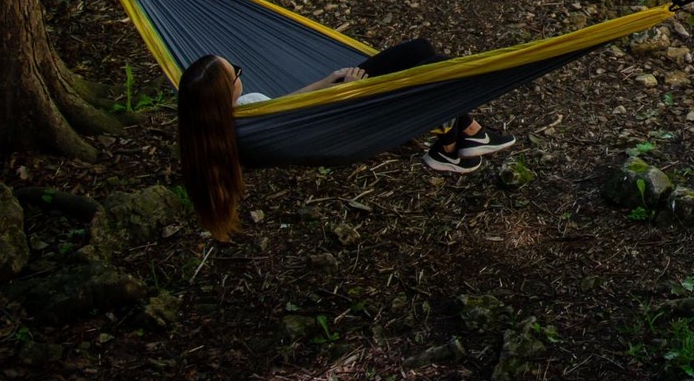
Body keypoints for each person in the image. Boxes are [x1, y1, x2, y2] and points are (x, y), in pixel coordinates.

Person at [178, 41, 518, 237]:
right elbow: (303, 129)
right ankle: (450, 146)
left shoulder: (236, 117)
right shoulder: (247, 131)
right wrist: (347, 93)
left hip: (332, 103)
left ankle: (464, 137)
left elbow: (290, 104)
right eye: (235, 73)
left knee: (419, 50)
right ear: (223, 93)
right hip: (345, 120)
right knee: (436, 71)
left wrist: (329, 81)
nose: (241, 73)